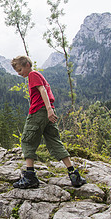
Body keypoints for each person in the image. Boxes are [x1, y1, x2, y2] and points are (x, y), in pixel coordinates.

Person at [11, 55, 86, 189]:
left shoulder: (33, 75)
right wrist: (50, 110)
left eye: (20, 70)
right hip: (48, 113)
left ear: (27, 65)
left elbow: (42, 91)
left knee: (27, 140)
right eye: (17, 71)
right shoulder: (38, 75)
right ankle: (74, 175)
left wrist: (48, 109)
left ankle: (30, 177)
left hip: (39, 112)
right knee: (54, 141)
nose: (19, 73)